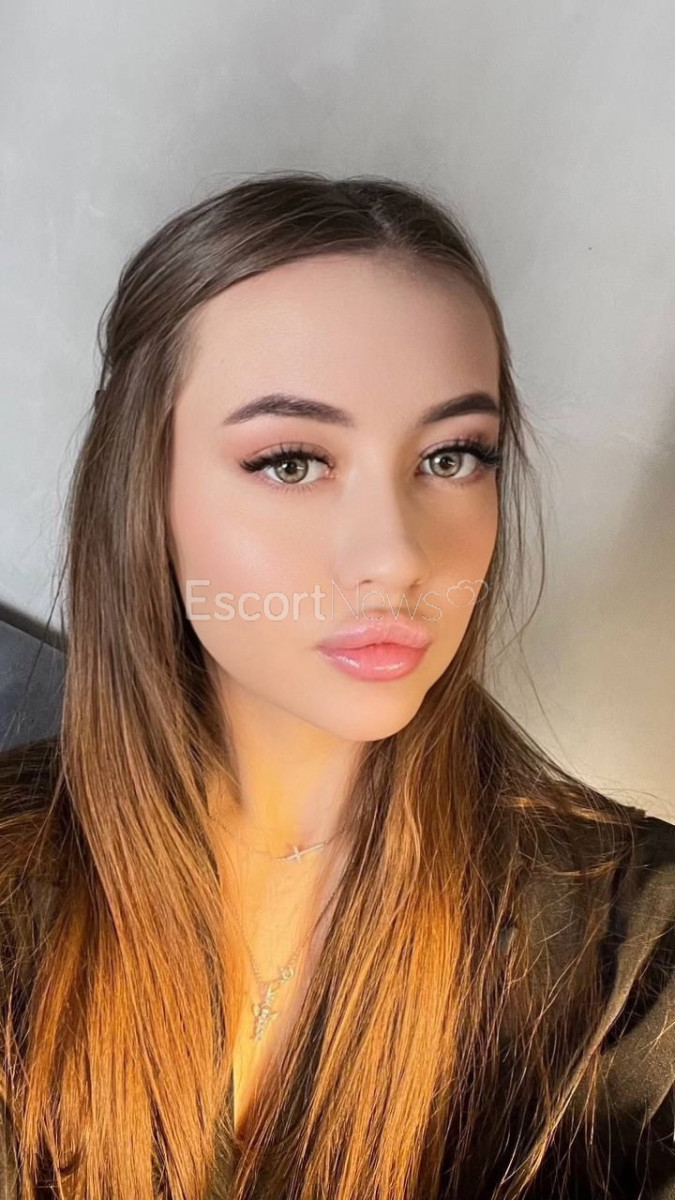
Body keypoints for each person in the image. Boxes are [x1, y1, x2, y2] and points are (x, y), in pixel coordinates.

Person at [0, 170, 673, 1200]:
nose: (394, 556)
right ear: (145, 487)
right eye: (291, 462)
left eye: (453, 457)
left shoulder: (629, 950)